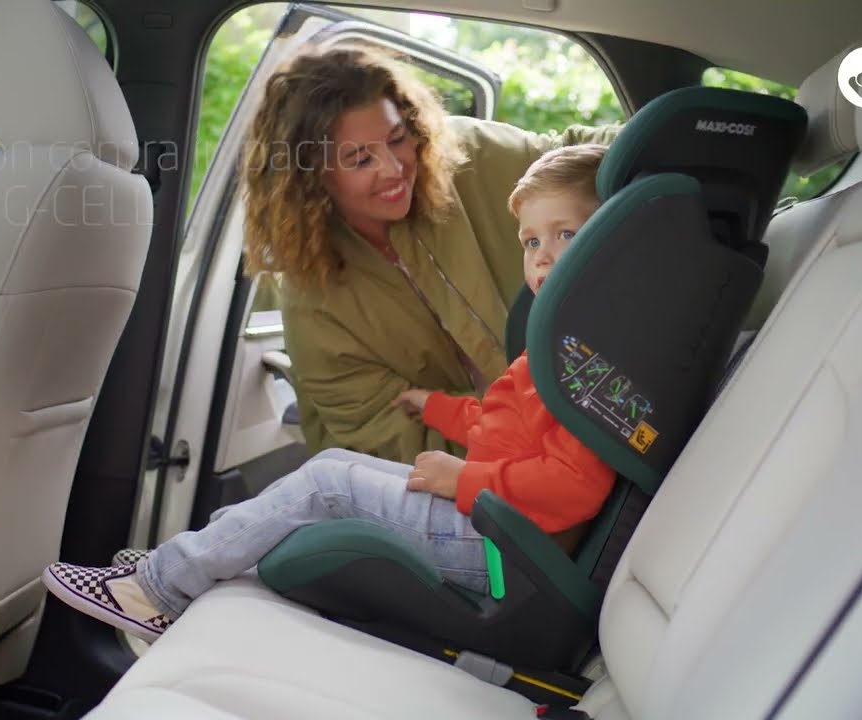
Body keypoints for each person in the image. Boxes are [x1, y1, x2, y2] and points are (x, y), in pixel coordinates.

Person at [41, 145, 616, 641]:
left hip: (504, 549)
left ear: (616, 244)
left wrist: (463, 479)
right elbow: (509, 426)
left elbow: (573, 486)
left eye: (566, 234)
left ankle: (157, 592)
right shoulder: (564, 341)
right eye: (530, 240)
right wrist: (436, 407)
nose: (542, 255)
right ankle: (188, 561)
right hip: (500, 525)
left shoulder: (590, 361)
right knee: (331, 463)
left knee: (325, 485)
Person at [241, 42, 618, 465]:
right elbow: (391, 440)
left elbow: (584, 155)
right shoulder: (314, 301)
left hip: (599, 423)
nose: (393, 168)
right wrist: (533, 449)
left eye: (397, 138)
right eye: (361, 159)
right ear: (310, 177)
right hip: (479, 475)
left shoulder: (467, 156)